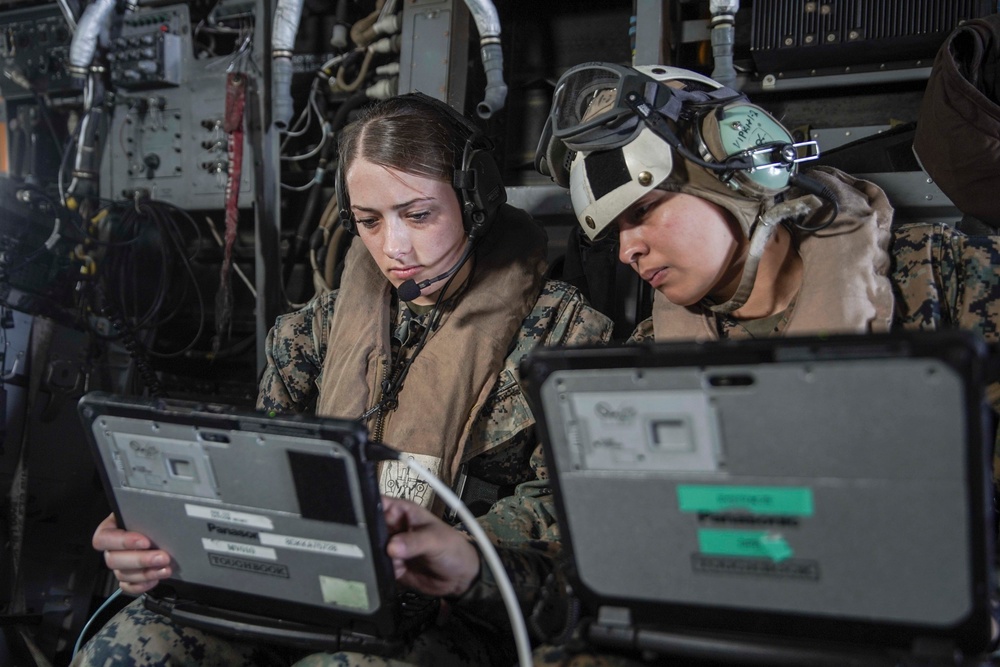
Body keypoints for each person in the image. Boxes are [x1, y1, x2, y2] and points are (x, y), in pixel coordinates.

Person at [72, 92, 613, 667]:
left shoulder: (563, 336)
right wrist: (168, 530)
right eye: (370, 221)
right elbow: (256, 473)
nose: (394, 248)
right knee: (126, 650)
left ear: (474, 200)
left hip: (462, 607)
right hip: (305, 588)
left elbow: (568, 522)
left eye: (419, 214)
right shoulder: (310, 334)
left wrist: (449, 549)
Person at [525, 61, 1000, 666]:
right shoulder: (645, 358)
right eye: (615, 230)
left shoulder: (946, 280)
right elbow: (578, 522)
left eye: (641, 211)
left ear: (743, 165)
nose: (626, 249)